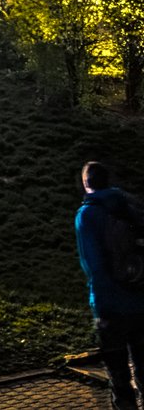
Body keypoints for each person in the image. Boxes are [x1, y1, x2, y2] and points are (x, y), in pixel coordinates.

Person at [76, 161, 144, 410]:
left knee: (118, 376)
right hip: (139, 299)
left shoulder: (87, 213)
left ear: (86, 183)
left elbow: (91, 264)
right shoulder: (129, 205)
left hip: (110, 306)